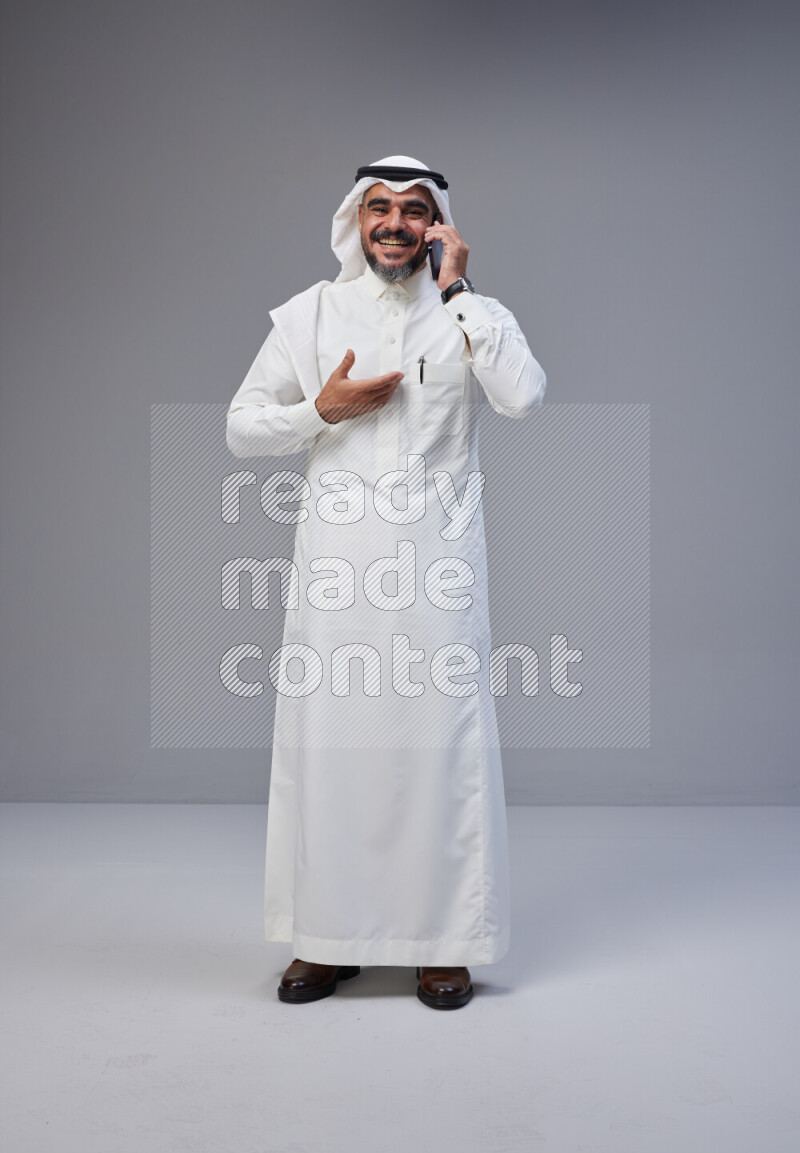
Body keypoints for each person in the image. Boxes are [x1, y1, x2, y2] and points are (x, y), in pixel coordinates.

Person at [226, 155, 546, 1010]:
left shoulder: (471, 314)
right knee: (331, 750)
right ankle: (327, 939)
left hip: (439, 570)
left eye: (413, 209)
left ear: (436, 224)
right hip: (336, 570)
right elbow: (241, 429)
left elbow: (522, 397)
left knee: (440, 750)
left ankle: (444, 944)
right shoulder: (309, 315)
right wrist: (318, 412)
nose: (395, 224)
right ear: (355, 221)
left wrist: (459, 291)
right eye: (380, 208)